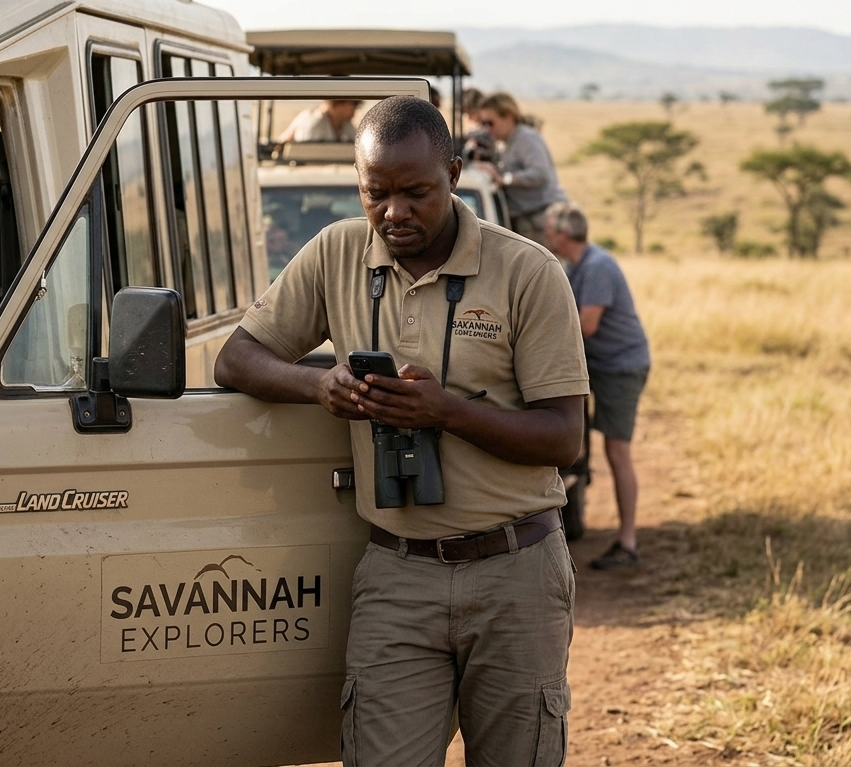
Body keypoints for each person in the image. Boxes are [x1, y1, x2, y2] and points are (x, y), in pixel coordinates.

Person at [215, 96, 588, 766]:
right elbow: (236, 356)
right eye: (374, 193)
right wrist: (320, 383)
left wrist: (444, 412)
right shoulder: (336, 252)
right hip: (396, 570)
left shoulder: (526, 270)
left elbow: (563, 438)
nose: (393, 213)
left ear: (453, 170)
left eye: (415, 192)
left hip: (516, 570)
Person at [544, 202, 651, 570]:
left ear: (562, 233)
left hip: (620, 367)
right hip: (604, 366)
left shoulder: (597, 266)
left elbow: (585, 325)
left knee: (618, 451)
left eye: (548, 230)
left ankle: (628, 542)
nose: (545, 236)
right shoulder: (581, 265)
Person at [475, 92, 567, 245]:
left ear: (508, 117)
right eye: (483, 123)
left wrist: (504, 179)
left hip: (542, 220)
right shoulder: (507, 142)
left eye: (490, 123)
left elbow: (540, 173)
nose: (486, 129)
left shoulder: (525, 138)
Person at [277, 99, 360, 143]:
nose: (355, 108)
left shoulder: (346, 125)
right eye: (354, 103)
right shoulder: (313, 123)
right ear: (337, 104)